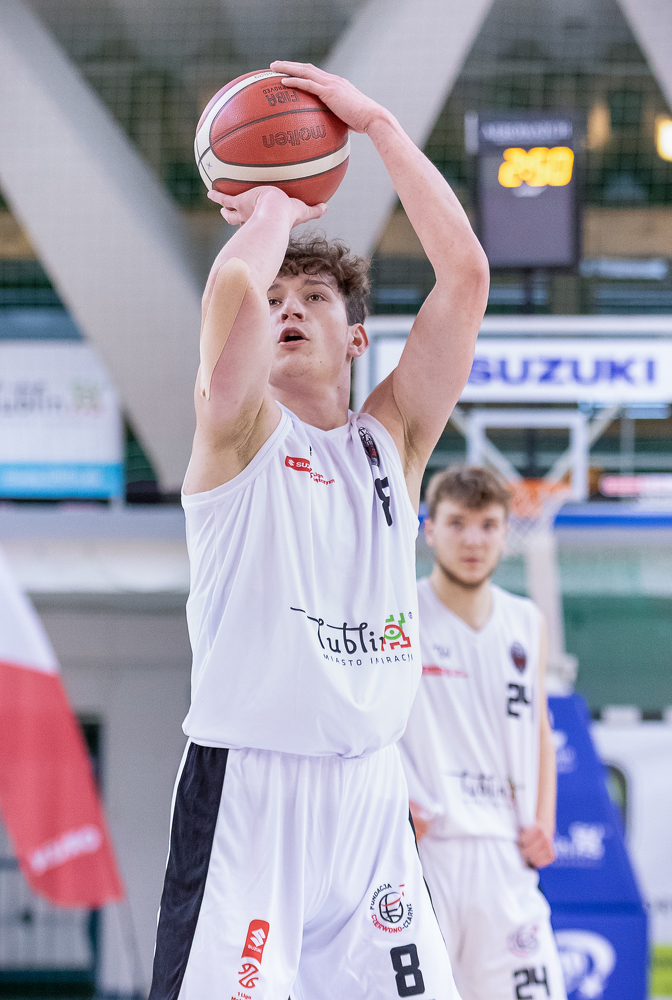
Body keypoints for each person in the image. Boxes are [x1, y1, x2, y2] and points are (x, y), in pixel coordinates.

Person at [148, 62, 489, 1000]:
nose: (289, 306)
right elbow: (232, 294)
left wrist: (377, 125)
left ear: (356, 339)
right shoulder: (237, 435)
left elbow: (465, 278)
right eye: (279, 299)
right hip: (250, 795)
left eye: (316, 297)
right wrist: (273, 209)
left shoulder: (393, 442)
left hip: (370, 798)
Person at [398, 465, 567, 1000]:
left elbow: (539, 728)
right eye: (457, 523)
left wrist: (544, 820)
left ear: (506, 532)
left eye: (488, 525)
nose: (473, 540)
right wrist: (393, 804)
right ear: (430, 530)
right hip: (426, 853)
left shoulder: (526, 621)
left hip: (505, 852)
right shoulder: (397, 611)